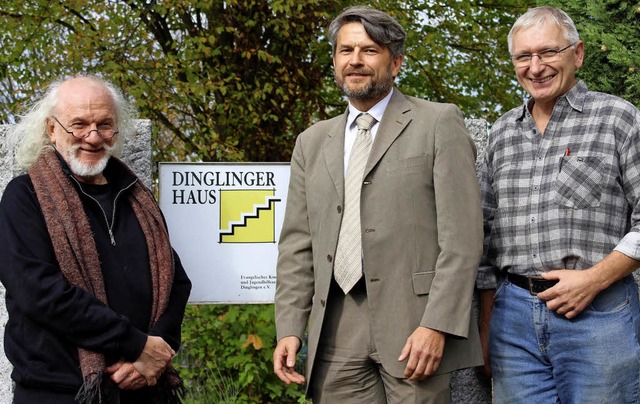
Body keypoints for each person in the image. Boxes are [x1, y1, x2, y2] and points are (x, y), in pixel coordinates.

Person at [273, 6, 483, 403]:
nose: (355, 60)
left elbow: (463, 239)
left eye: (369, 50)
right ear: (334, 61)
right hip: (336, 327)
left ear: (396, 61)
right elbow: (298, 246)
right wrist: (289, 328)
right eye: (345, 50)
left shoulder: (438, 123)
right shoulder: (312, 142)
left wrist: (437, 324)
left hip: (415, 325)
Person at [477, 6, 640, 403]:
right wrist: (487, 326)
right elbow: (483, 238)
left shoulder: (617, 118)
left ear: (578, 54)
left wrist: (595, 279)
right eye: (523, 56)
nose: (536, 67)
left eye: (548, 52)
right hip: (512, 324)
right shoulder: (501, 134)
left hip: (599, 316)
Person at [0, 74, 192, 403]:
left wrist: (155, 350)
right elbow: (40, 293)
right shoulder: (25, 197)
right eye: (79, 124)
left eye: (105, 125)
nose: (93, 137)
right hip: (63, 391)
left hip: (146, 388)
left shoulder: (136, 198)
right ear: (51, 129)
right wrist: (135, 344)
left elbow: (176, 282)